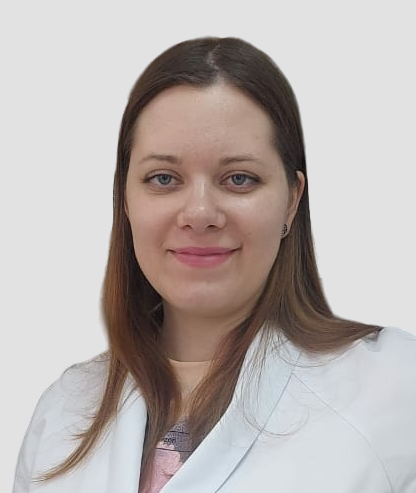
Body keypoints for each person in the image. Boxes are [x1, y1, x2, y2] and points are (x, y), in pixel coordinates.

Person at [13, 36, 416, 493]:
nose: (200, 213)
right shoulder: (63, 413)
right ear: (125, 199)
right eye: (163, 178)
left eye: (239, 178)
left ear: (291, 200)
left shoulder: (396, 392)